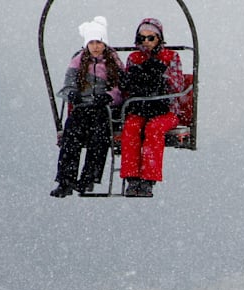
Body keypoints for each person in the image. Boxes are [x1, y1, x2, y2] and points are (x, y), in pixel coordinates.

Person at [51, 17, 122, 197]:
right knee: (71, 136)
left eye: (99, 42)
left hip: (104, 110)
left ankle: (88, 178)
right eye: (91, 43)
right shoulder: (78, 61)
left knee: (99, 136)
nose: (96, 47)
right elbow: (67, 86)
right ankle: (65, 180)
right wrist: (72, 94)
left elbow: (121, 88)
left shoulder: (113, 62)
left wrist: (108, 97)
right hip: (83, 108)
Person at [119, 17, 186, 198]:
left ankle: (148, 179)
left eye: (150, 38)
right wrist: (138, 78)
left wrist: (159, 75)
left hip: (166, 110)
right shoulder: (134, 58)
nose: (146, 42)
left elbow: (178, 87)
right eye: (142, 38)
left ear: (159, 38)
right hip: (141, 108)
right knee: (131, 128)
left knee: (154, 129)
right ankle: (132, 178)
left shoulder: (171, 57)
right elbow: (127, 88)